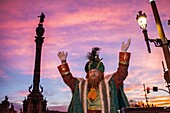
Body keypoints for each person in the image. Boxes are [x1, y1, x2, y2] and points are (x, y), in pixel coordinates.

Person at [57, 39, 131, 113]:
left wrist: (123, 53)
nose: (93, 73)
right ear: (87, 74)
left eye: (95, 71)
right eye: (91, 72)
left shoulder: (109, 83)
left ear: (101, 74)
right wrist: (63, 62)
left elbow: (121, 74)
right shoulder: (81, 85)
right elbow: (68, 79)